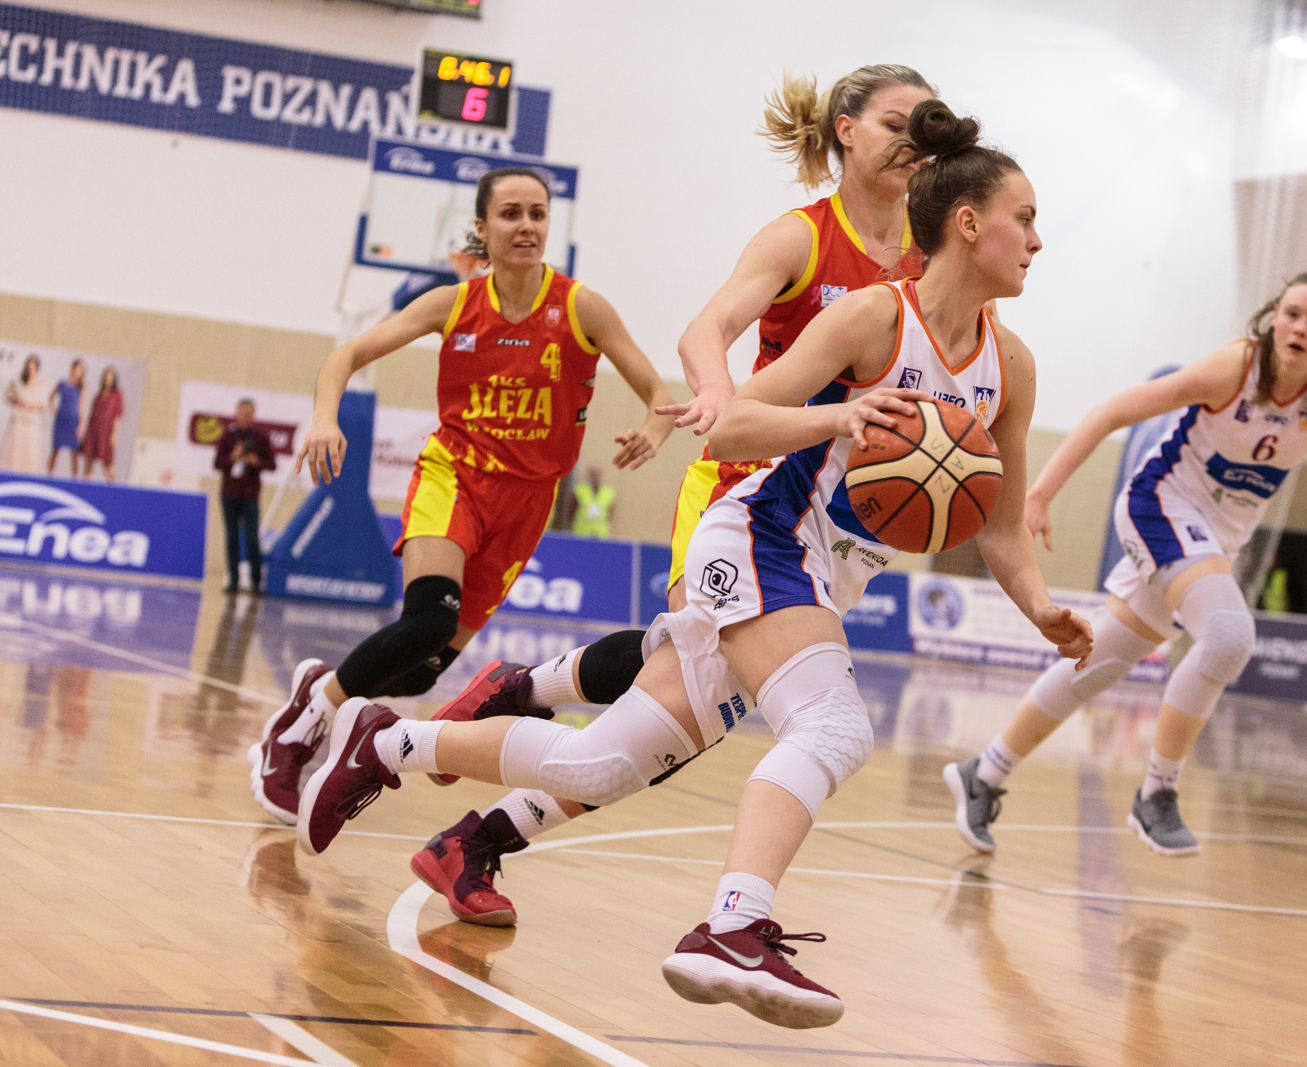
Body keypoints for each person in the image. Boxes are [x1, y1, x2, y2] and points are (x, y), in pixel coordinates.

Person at [297, 100, 1095, 1030]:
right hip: (760, 537)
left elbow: (998, 525)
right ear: (969, 223)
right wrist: (836, 418)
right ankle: (732, 924)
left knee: (599, 766)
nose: (1037, 239)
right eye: (1026, 217)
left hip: (819, 570)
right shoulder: (877, 319)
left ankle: (385, 741)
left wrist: (1039, 605)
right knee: (833, 729)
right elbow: (739, 421)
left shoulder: (1015, 366)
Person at [392, 64, 944, 929]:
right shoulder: (802, 236)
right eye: (894, 119)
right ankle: (482, 776)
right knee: (684, 702)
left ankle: (499, 764)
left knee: (682, 722)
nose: (914, 136)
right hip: (747, 489)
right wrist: (719, 392)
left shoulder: (927, 249)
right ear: (845, 128)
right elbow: (705, 329)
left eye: (927, 121)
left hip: (832, 518)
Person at [943, 271, 1307, 858]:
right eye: (1291, 314)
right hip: (1160, 506)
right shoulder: (1236, 367)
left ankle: (984, 772)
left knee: (1102, 661)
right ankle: (1157, 792)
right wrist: (1039, 494)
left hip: (1214, 538)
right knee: (1230, 637)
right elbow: (1110, 414)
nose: (1300, 328)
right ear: (1273, 317)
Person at [244, 165, 676, 826]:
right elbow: (345, 356)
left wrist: (651, 428)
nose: (526, 225)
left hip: (527, 500)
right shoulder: (452, 304)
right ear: (481, 228)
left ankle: (317, 685)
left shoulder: (581, 307)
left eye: (537, 213)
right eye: (510, 214)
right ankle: (302, 724)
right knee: (429, 620)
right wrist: (325, 416)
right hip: (455, 476)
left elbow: (659, 393)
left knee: (421, 671)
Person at [214, 399, 277, 595]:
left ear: (254, 415)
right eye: (241, 412)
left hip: (250, 495)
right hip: (229, 494)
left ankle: (255, 582)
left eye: (249, 413)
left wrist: (256, 461)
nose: (244, 416)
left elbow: (271, 464)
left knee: (251, 538)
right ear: (236, 413)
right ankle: (233, 581)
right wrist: (233, 456)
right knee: (231, 537)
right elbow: (218, 463)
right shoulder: (228, 436)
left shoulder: (260, 436)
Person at [0, 354, 48, 474]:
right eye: (28, 367)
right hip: (18, 424)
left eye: (32, 368)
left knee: (30, 455)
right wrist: (18, 401)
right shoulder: (18, 381)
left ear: (37, 369)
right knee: (14, 454)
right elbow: (9, 396)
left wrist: (29, 406)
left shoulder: (41, 384)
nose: (30, 370)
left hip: (31, 425)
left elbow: (42, 405)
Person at [79, 367, 123, 482]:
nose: (107, 380)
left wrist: (114, 433)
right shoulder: (98, 395)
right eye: (106, 378)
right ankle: (85, 486)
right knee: (88, 462)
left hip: (106, 432)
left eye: (110, 378)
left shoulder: (117, 395)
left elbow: (118, 415)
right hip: (93, 431)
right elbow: (92, 415)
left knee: (107, 463)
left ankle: (116, 490)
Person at [48, 359, 86, 477]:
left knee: (74, 452)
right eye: (76, 370)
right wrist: (53, 409)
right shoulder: (62, 383)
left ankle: (74, 479)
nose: (77, 373)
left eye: (80, 371)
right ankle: (49, 475)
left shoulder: (81, 388)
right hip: (61, 420)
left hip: (73, 421)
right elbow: (50, 397)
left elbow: (82, 408)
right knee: (55, 449)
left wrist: (80, 425)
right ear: (72, 369)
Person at [570, 465, 615, 538]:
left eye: (598, 475)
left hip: (601, 533)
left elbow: (610, 514)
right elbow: (571, 512)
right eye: (593, 475)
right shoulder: (580, 490)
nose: (596, 478)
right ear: (589, 476)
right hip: (581, 533)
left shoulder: (608, 493)